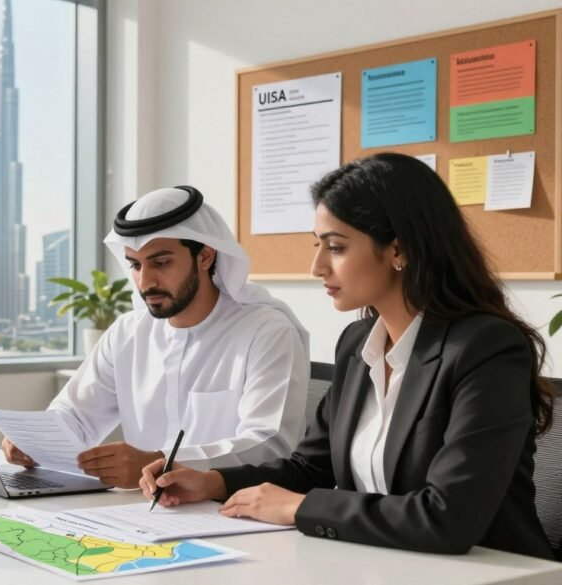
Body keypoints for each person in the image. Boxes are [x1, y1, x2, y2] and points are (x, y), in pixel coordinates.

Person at [139, 153, 555, 559]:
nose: (317, 266)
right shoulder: (358, 344)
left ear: (399, 250)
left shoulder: (487, 349)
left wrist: (299, 508)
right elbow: (310, 469)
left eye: (336, 247)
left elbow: (447, 516)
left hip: (494, 571)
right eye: (317, 245)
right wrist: (212, 482)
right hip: (386, 564)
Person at [4, 185, 310, 488]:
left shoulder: (266, 331)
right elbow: (76, 416)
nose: (145, 282)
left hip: (232, 506)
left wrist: (161, 463)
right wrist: (35, 441)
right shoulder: (127, 332)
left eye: (161, 263)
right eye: (135, 265)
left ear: (205, 256)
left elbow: (269, 444)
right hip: (139, 508)